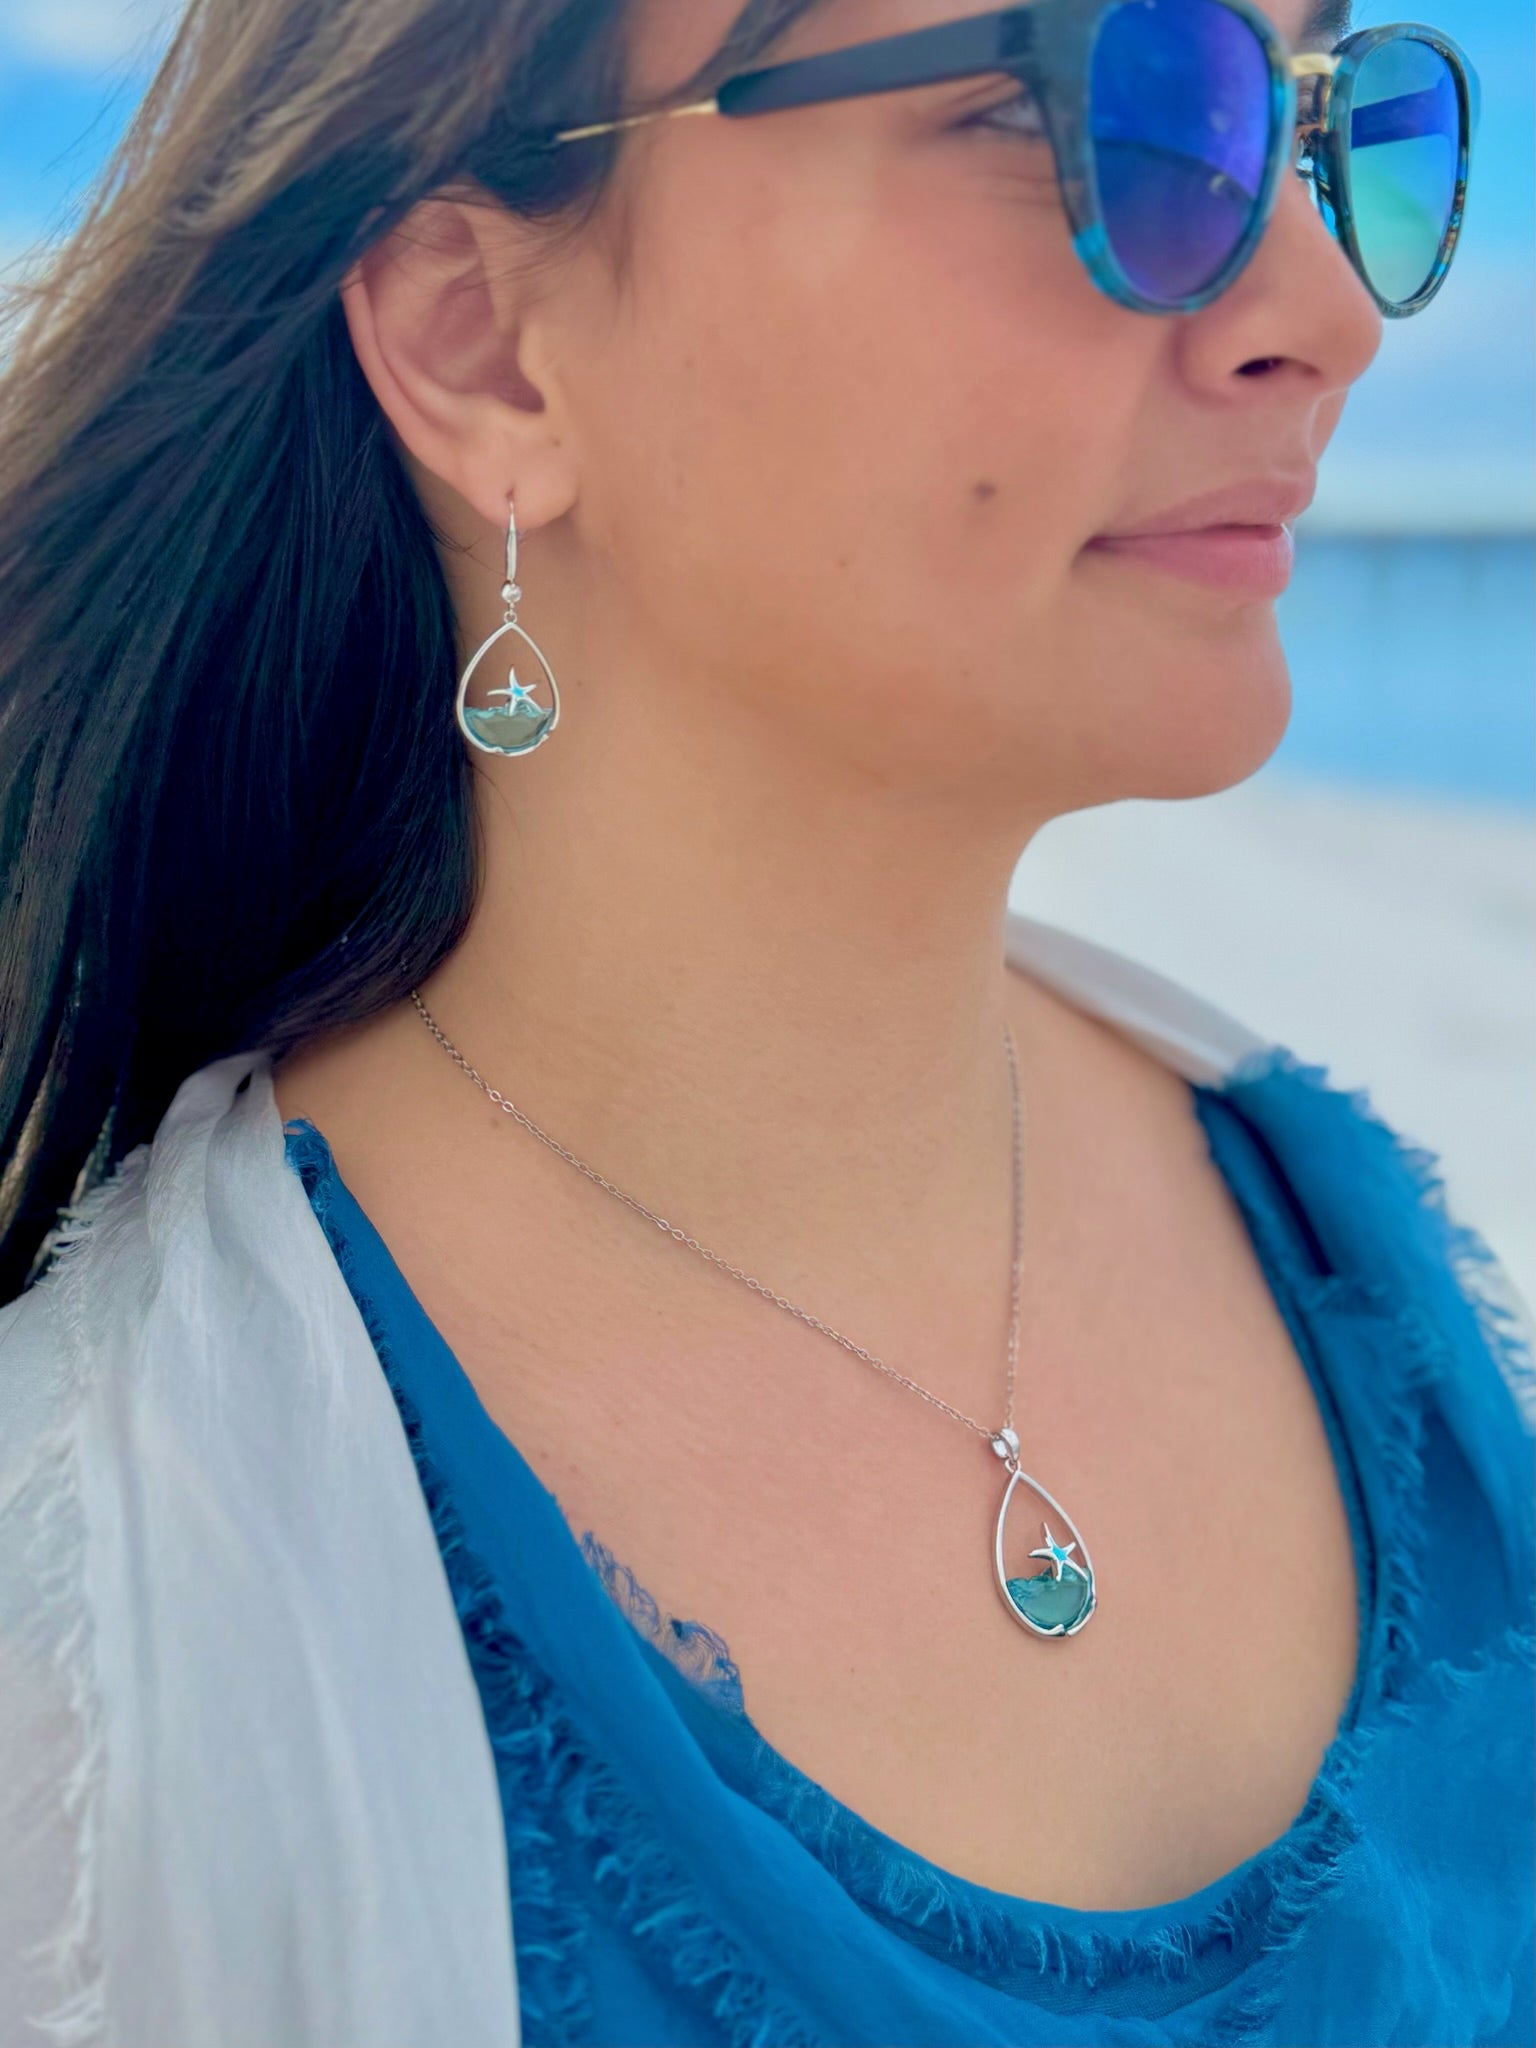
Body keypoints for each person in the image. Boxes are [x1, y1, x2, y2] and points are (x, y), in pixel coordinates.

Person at [0, 0, 1530, 2042]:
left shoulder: (1363, 1254)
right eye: (1091, 108)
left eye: (1336, 123)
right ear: (482, 340)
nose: (1326, 307)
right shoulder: (115, 1626)